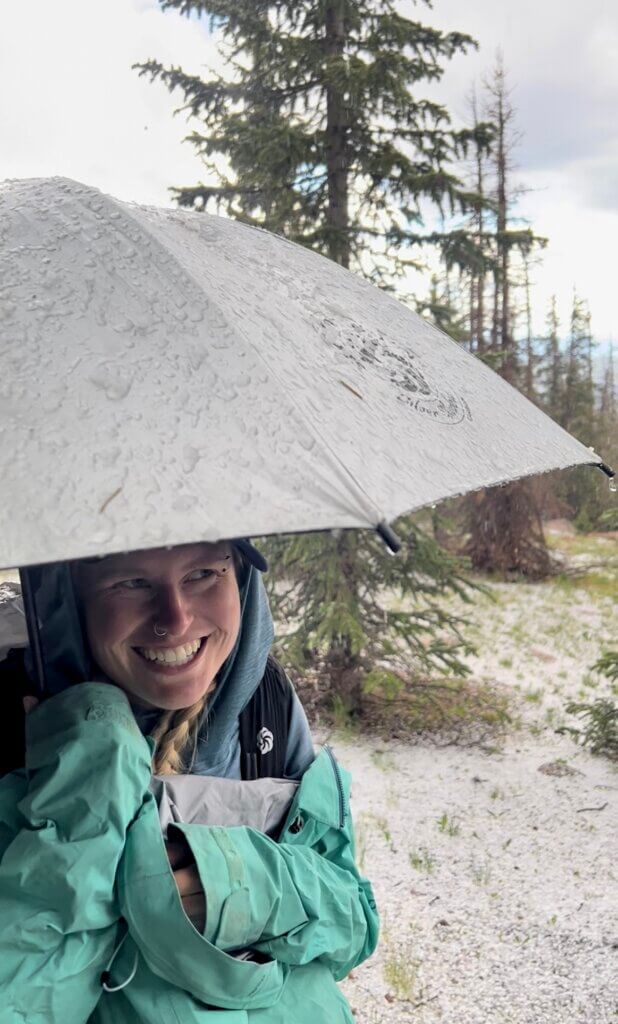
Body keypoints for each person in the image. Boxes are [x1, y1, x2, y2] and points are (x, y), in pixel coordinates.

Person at [0, 538, 378, 1023]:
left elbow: (352, 923)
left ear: (239, 576)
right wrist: (87, 784)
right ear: (70, 602)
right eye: (131, 582)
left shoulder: (266, 707)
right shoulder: (24, 733)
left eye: (203, 573)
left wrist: (246, 884)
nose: (174, 619)